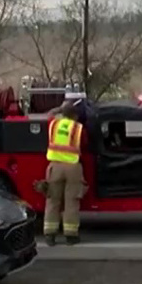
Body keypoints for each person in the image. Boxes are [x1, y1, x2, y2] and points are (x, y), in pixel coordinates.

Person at [43, 103, 86, 246]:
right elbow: (85, 144)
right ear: (75, 115)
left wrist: (58, 108)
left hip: (54, 167)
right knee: (71, 202)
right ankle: (71, 236)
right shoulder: (78, 128)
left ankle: (50, 235)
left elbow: (48, 115)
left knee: (53, 200)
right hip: (73, 167)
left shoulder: (53, 124)